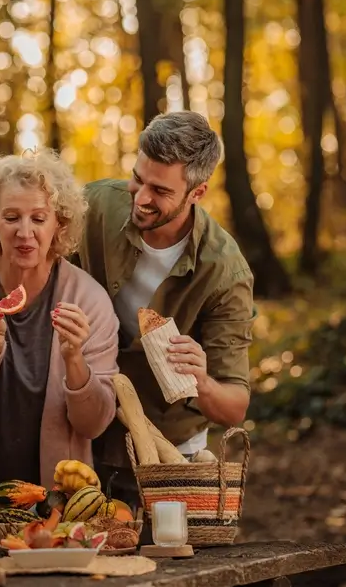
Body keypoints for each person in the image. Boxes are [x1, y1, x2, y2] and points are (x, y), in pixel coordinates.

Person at [0, 150, 120, 552]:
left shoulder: (89, 299)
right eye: (11, 217)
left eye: (39, 218)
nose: (25, 232)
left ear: (60, 223)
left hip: (54, 505)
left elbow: (94, 424)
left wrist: (75, 362)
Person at [75, 111, 256, 509]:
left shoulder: (225, 273)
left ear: (197, 193)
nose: (141, 198)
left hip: (168, 451)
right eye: (138, 178)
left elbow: (234, 405)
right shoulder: (95, 207)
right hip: (82, 427)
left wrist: (203, 381)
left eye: (160, 191)